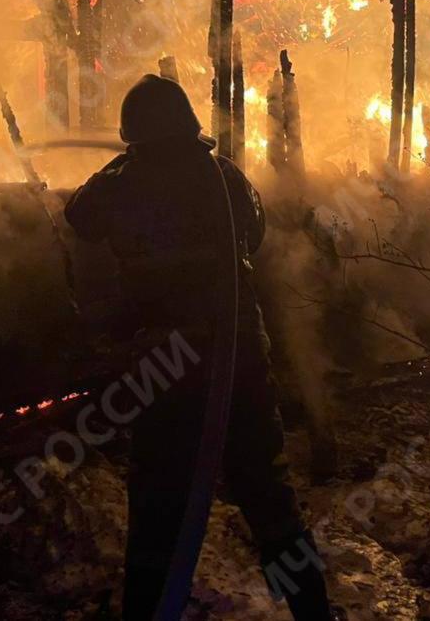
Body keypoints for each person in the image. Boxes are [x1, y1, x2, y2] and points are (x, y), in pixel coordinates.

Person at [65, 75, 338, 620]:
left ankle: (148, 610)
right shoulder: (225, 177)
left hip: (166, 368)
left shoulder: (122, 185)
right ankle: (313, 612)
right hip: (238, 359)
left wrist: (122, 165)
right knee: (269, 495)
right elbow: (255, 234)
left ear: (135, 137)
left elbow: (79, 215)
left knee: (157, 505)